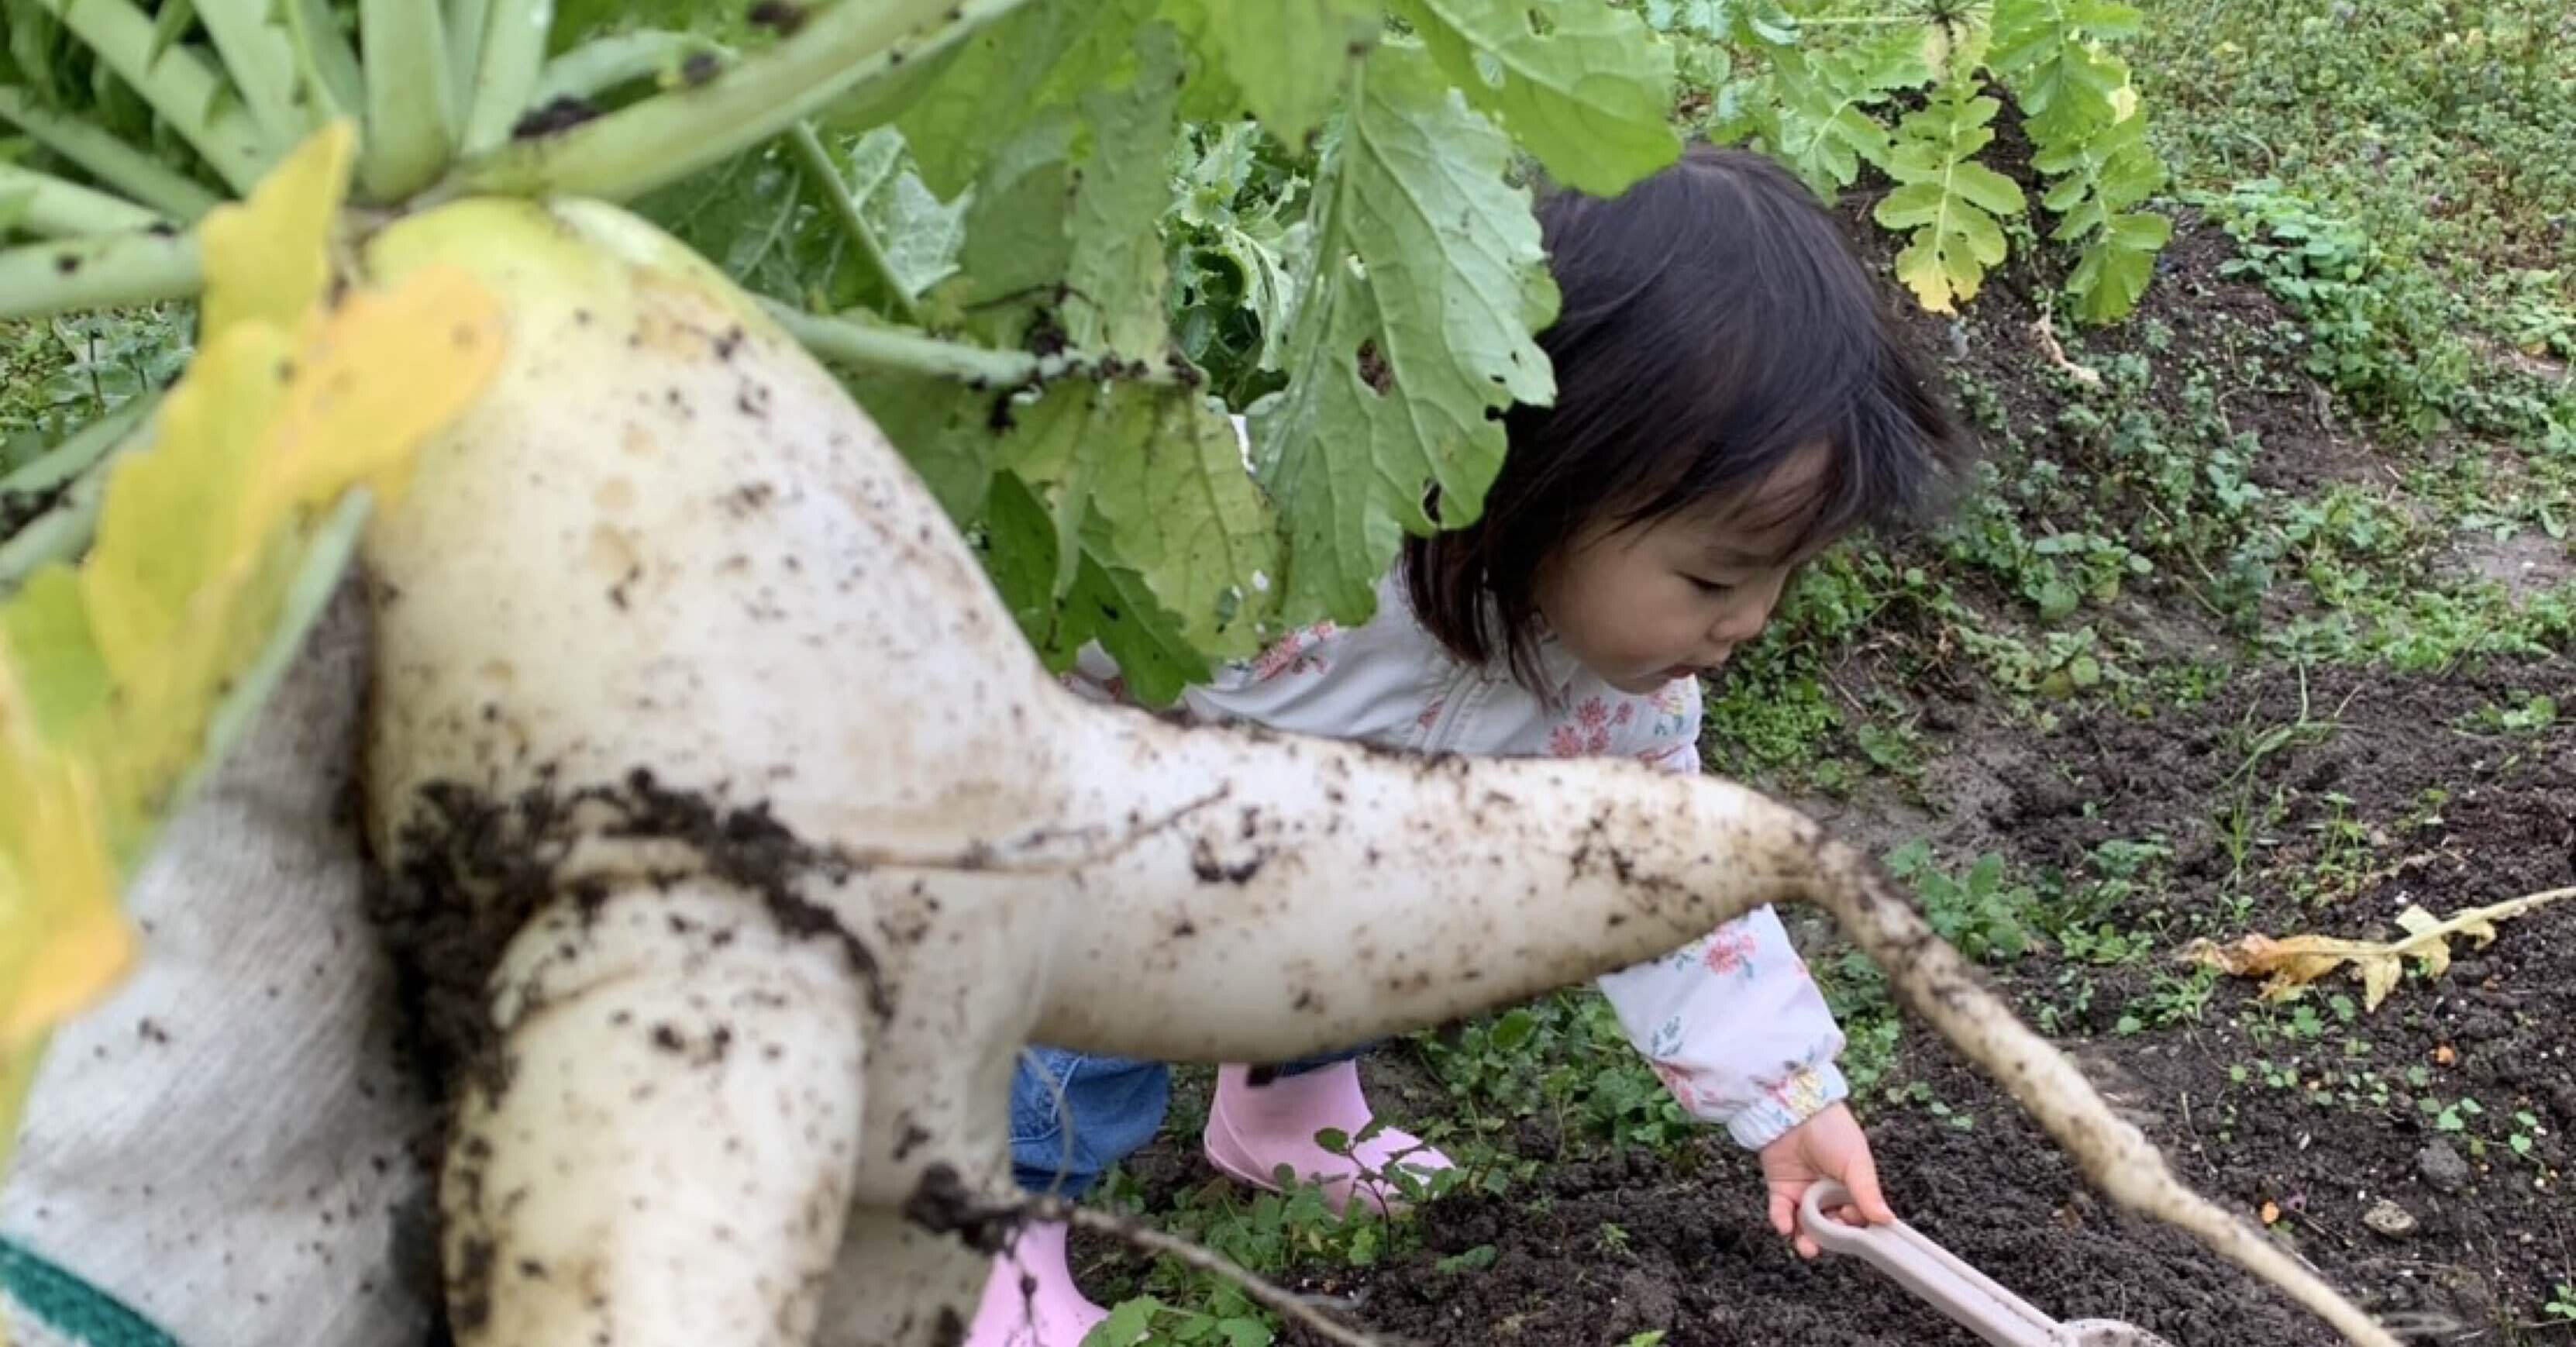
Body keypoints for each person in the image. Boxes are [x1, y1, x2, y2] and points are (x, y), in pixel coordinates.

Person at [970, 144, 1969, 1345]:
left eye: (1780, 578)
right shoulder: (1273, 554)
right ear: (1538, 476)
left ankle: (1285, 1114)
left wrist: (1787, 1101)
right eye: (1715, 574)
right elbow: (1048, 622)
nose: (1750, 620)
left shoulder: (1618, 702)